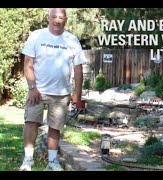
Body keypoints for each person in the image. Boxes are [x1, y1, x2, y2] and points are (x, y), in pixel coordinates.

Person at [19, 8, 85, 171]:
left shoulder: (72, 40)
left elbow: (78, 69)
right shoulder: (36, 36)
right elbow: (28, 64)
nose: (57, 20)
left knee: (55, 127)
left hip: (61, 93)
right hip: (38, 91)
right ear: (48, 18)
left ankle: (53, 161)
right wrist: (32, 87)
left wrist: (77, 93)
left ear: (65, 20)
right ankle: (28, 160)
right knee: (31, 122)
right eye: (54, 17)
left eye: (60, 17)